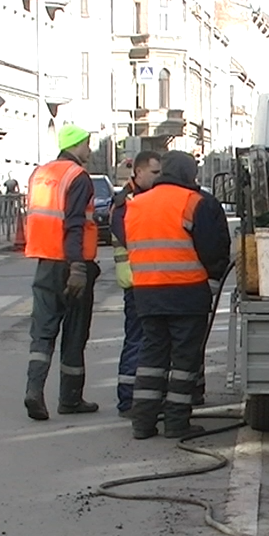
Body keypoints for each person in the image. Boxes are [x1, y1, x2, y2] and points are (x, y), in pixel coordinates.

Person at [125, 150, 230, 440]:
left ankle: (142, 422)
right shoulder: (196, 202)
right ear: (188, 173)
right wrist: (215, 275)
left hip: (146, 293)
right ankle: (176, 422)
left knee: (151, 357)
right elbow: (213, 250)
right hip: (186, 292)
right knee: (184, 361)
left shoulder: (137, 204)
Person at [22, 124, 101, 420]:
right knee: (75, 331)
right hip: (72, 264)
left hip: (45, 262)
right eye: (86, 144)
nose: (89, 150)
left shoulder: (40, 174)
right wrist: (78, 267)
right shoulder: (77, 177)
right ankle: (70, 398)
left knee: (42, 331)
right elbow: (74, 224)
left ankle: (34, 389)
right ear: (76, 145)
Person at [110, 151, 164, 417]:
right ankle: (127, 400)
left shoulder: (143, 197)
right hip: (136, 281)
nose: (158, 178)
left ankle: (143, 398)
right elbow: (129, 237)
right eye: (154, 173)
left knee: (149, 341)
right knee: (136, 341)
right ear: (139, 171)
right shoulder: (126, 201)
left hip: (149, 279)